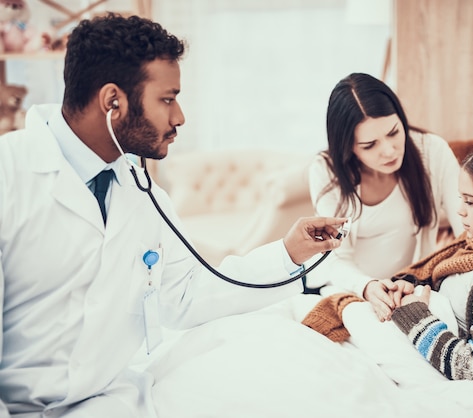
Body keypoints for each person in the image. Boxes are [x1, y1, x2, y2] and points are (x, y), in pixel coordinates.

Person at [0, 14, 345, 417]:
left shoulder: (142, 193)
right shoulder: (10, 177)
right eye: (167, 99)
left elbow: (187, 293)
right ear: (113, 101)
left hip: (111, 401)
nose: (179, 117)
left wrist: (289, 252)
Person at [303, 138, 473, 385]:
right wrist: (408, 287)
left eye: (470, 202)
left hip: (418, 339)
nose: (459, 210)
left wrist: (413, 314)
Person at [306, 72, 463, 320]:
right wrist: (367, 287)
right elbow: (334, 259)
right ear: (347, 146)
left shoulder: (432, 151)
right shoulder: (327, 171)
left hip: (407, 288)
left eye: (393, 132)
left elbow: (468, 228)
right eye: (370, 145)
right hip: (345, 287)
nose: (389, 151)